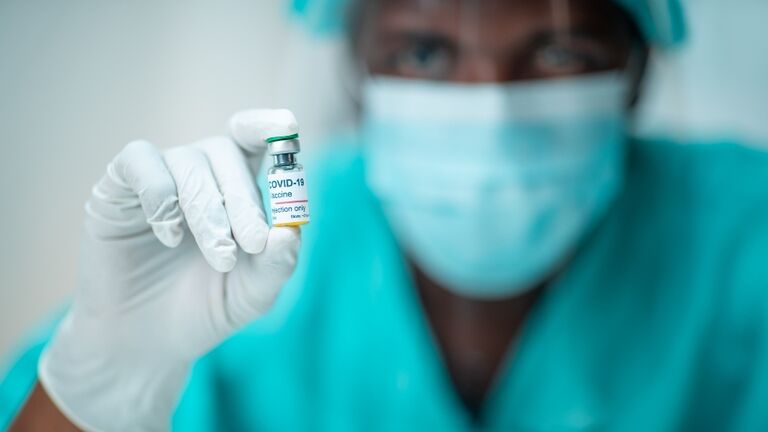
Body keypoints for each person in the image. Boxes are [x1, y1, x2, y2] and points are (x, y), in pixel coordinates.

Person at [4, 0, 768, 430]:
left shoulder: (743, 242)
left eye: (559, 55)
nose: (492, 113)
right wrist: (97, 386)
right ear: (355, 68)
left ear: (635, 69)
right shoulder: (233, 257)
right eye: (425, 54)